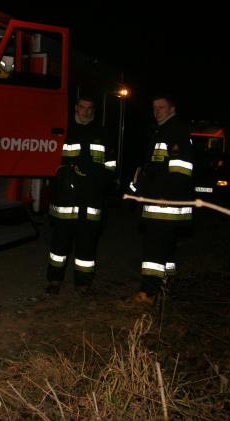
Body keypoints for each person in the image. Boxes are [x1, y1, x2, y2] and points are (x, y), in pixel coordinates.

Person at [46, 95, 116, 296]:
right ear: (76, 108)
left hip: (91, 199)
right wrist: (66, 175)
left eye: (89, 108)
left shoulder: (102, 134)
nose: (85, 111)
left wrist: (94, 176)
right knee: (59, 245)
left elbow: (111, 167)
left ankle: (83, 284)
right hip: (65, 198)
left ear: (93, 110)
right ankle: (54, 280)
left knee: (87, 247)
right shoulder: (64, 131)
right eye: (82, 107)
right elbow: (51, 161)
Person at [128, 93, 194, 304]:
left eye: (162, 107)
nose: (157, 112)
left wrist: (169, 195)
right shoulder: (161, 131)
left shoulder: (176, 132)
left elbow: (181, 169)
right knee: (165, 247)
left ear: (172, 109)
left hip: (164, 202)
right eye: (154, 108)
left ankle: (148, 293)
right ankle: (166, 286)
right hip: (156, 200)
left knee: (154, 248)